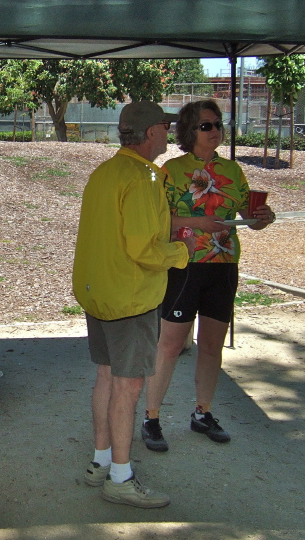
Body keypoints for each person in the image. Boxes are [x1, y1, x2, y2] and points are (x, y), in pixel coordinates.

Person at [72, 101, 192, 508]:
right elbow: (144, 249)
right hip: (130, 297)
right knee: (128, 386)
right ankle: (121, 478)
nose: (169, 134)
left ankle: (101, 461)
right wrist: (182, 251)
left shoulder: (105, 172)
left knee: (107, 376)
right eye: (165, 127)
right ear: (151, 132)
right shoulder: (143, 178)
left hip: (99, 292)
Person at [140, 99, 276, 452]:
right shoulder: (171, 171)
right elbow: (157, 221)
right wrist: (197, 222)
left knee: (212, 345)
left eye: (218, 124)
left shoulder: (233, 171)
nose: (215, 130)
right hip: (184, 264)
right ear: (190, 131)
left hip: (224, 265)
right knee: (170, 344)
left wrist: (262, 217)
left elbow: (248, 217)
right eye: (206, 126)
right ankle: (151, 417)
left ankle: (203, 413)